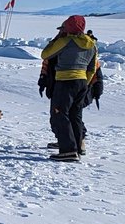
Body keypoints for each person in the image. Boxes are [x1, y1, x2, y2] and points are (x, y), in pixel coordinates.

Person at [40, 15, 98, 162]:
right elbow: (92, 68)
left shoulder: (65, 41)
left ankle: (68, 151)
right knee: (75, 115)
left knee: (60, 114)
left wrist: (57, 38)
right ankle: (78, 147)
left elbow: (45, 54)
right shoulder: (91, 44)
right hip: (82, 82)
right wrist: (85, 81)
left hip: (65, 81)